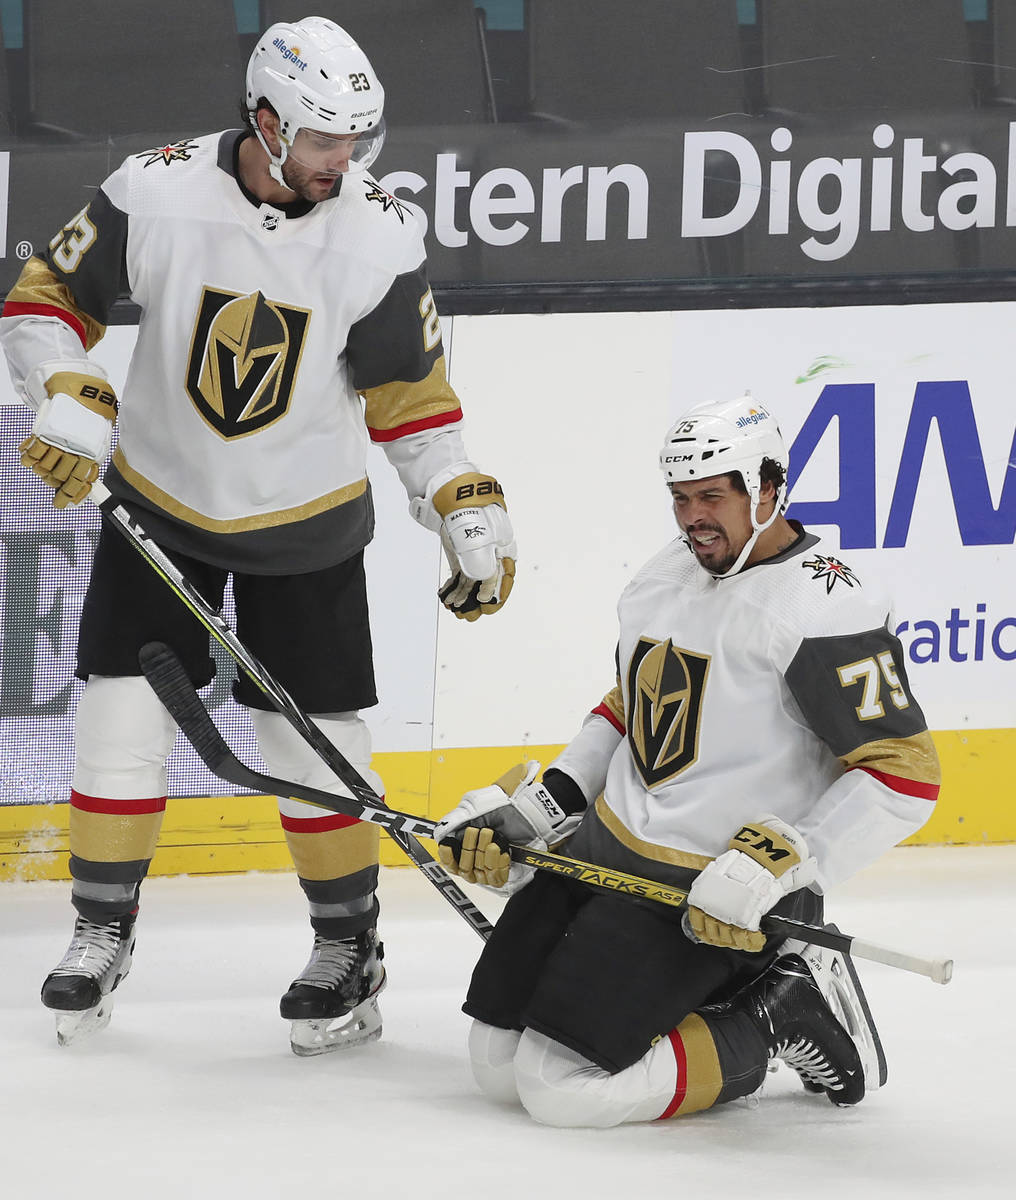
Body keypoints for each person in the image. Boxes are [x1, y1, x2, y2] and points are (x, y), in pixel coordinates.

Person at [0, 16, 516, 1053]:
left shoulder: (377, 230)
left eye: (357, 141)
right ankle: (101, 930)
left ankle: (347, 946)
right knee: (117, 723)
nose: (346, 162)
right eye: (326, 140)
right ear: (267, 120)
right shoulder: (156, 190)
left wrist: (458, 494)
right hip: (163, 505)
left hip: (306, 521)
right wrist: (63, 385)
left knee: (311, 745)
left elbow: (410, 399)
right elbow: (44, 298)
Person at [434, 393, 939, 1127]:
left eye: (712, 496)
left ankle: (776, 1008)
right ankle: (703, 1000)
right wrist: (542, 808)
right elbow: (628, 708)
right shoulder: (667, 572)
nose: (693, 517)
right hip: (601, 859)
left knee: (560, 1090)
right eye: (680, 498)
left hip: (706, 898)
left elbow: (903, 774)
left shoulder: (824, 606)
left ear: (769, 489)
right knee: (495, 1068)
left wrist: (787, 858)